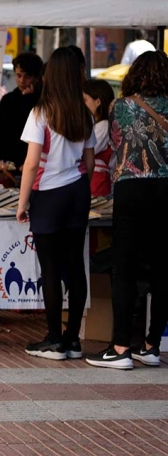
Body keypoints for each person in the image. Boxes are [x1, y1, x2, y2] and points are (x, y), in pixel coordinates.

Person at [86, 51, 168, 370]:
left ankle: (120, 347)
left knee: (125, 266)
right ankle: (150, 345)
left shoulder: (120, 106)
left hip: (131, 188)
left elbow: (119, 146)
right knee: (162, 268)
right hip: (165, 189)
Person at [16, 47, 95, 361]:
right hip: (78, 191)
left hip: (49, 194)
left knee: (50, 268)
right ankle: (73, 339)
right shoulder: (84, 113)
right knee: (75, 266)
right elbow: (89, 160)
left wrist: (23, 203)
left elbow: (32, 163)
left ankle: (53, 339)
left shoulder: (41, 113)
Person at [0, 52, 43, 167]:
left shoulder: (41, 101)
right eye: (18, 75)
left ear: (36, 77)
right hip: (8, 164)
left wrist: (30, 99)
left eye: (27, 76)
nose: (22, 81)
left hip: (33, 163)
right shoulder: (7, 100)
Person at [82, 79, 115, 197]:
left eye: (85, 100)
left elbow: (86, 150)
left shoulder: (104, 126)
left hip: (98, 183)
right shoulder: (95, 125)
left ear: (98, 102)